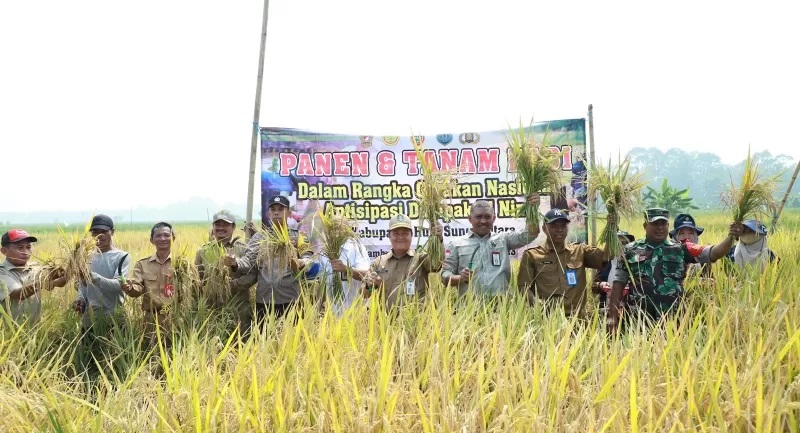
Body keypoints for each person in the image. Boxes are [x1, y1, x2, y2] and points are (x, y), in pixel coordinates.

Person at [606, 208, 742, 332]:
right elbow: (618, 283)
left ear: (668, 226)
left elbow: (713, 253)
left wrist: (730, 237)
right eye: (655, 224)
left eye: (663, 224)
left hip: (673, 319)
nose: (660, 228)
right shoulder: (630, 250)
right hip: (638, 319)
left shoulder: (681, 249)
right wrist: (612, 314)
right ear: (645, 226)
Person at [226, 195, 323, 325]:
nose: (276, 212)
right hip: (264, 301)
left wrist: (302, 262)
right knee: (264, 341)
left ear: (288, 213)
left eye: (280, 209)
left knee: (290, 341)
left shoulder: (298, 236)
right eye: (273, 209)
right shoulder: (260, 237)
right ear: (269, 213)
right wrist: (235, 263)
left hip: (290, 300)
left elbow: (308, 257)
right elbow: (248, 261)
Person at [441, 194, 540, 297]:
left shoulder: (504, 239)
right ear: (470, 219)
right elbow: (445, 275)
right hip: (469, 309)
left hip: (502, 308)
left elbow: (530, 234)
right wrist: (460, 278)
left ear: (494, 218)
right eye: (478, 217)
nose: (483, 221)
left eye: (487, 217)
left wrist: (533, 209)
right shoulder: (456, 244)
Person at [517, 209, 611, 317]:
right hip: (548, 319)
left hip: (577, 319)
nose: (559, 230)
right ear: (544, 229)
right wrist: (536, 303)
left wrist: (611, 228)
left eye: (563, 226)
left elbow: (606, 257)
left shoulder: (579, 251)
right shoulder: (532, 255)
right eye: (554, 226)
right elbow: (523, 287)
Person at [361, 214, 443, 310]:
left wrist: (438, 239)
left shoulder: (420, 259)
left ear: (412, 236)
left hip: (416, 321)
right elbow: (365, 294)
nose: (400, 237)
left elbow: (436, 265)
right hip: (385, 322)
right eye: (396, 234)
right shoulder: (378, 262)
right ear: (389, 236)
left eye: (405, 233)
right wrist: (370, 286)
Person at [120, 222, 180, 347]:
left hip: (176, 318)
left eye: (166, 235)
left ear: (173, 237)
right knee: (151, 354)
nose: (162, 239)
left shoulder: (182, 264)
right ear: (152, 240)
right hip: (151, 320)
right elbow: (137, 288)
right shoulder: (142, 264)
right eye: (158, 236)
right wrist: (130, 288)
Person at [74, 215, 131, 336]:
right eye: (95, 232)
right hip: (90, 317)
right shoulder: (86, 256)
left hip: (113, 316)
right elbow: (83, 284)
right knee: (88, 353)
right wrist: (80, 298)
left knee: (113, 353)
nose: (99, 236)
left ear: (112, 232)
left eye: (104, 231)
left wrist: (92, 276)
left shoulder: (122, 257)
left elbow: (118, 285)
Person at [0, 229, 67, 325]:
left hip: (34, 332)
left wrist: (66, 271)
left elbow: (57, 282)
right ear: (4, 251)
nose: (25, 252)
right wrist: (45, 281)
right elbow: (19, 294)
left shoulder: (35, 268)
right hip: (9, 334)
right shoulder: (2, 272)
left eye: (28, 247)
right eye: (20, 247)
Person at [322, 216, 371, 316]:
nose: (336, 232)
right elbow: (323, 280)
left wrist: (346, 269)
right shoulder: (324, 252)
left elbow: (367, 274)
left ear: (347, 230)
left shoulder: (356, 248)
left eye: (339, 228)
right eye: (332, 228)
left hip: (354, 311)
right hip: (332, 313)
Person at [591, 231, 635, 309]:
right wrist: (601, 285)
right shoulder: (606, 263)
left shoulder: (635, 263)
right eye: (617, 244)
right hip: (607, 307)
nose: (621, 246)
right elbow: (594, 287)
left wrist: (629, 289)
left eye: (624, 243)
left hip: (629, 309)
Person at [669, 213, 710, 279]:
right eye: (681, 234)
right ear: (675, 237)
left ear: (696, 235)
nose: (687, 237)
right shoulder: (669, 254)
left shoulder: (703, 255)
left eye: (691, 233)